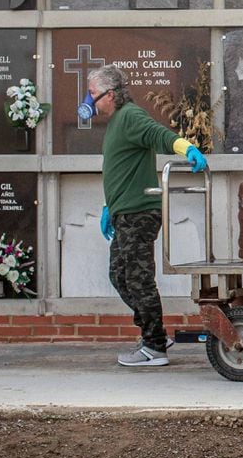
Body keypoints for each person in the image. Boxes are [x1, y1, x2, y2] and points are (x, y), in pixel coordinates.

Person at [86, 64, 209, 367]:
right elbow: (120, 171)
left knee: (139, 280)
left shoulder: (130, 116)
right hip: (123, 212)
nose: (89, 102)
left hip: (138, 214)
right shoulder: (117, 121)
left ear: (110, 94)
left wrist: (188, 149)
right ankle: (154, 333)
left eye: (92, 94)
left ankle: (154, 347)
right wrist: (108, 206)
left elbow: (159, 135)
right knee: (120, 275)